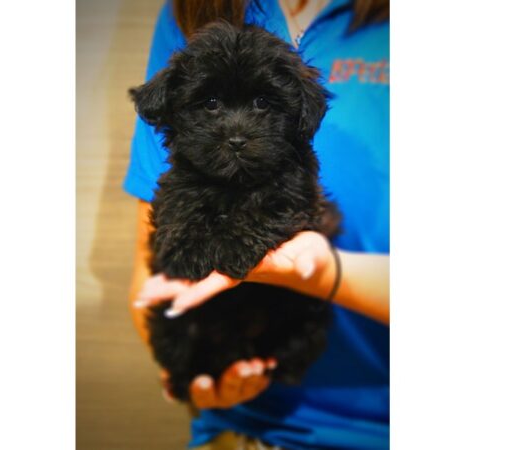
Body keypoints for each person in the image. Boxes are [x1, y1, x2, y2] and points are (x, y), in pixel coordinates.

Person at [124, 0, 390, 448]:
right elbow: (153, 279)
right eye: (209, 105)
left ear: (300, 117)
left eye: (264, 105)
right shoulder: (190, 11)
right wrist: (185, 362)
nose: (236, 129)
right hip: (241, 425)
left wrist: (323, 268)